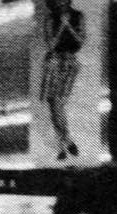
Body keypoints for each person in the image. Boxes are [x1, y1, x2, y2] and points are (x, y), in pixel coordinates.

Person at [40, 0, 85, 161]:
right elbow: (51, 45)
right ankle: (65, 140)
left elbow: (80, 43)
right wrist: (61, 27)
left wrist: (68, 26)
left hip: (70, 63)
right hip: (54, 62)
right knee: (55, 105)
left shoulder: (78, 16)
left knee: (58, 104)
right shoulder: (50, 19)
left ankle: (64, 141)